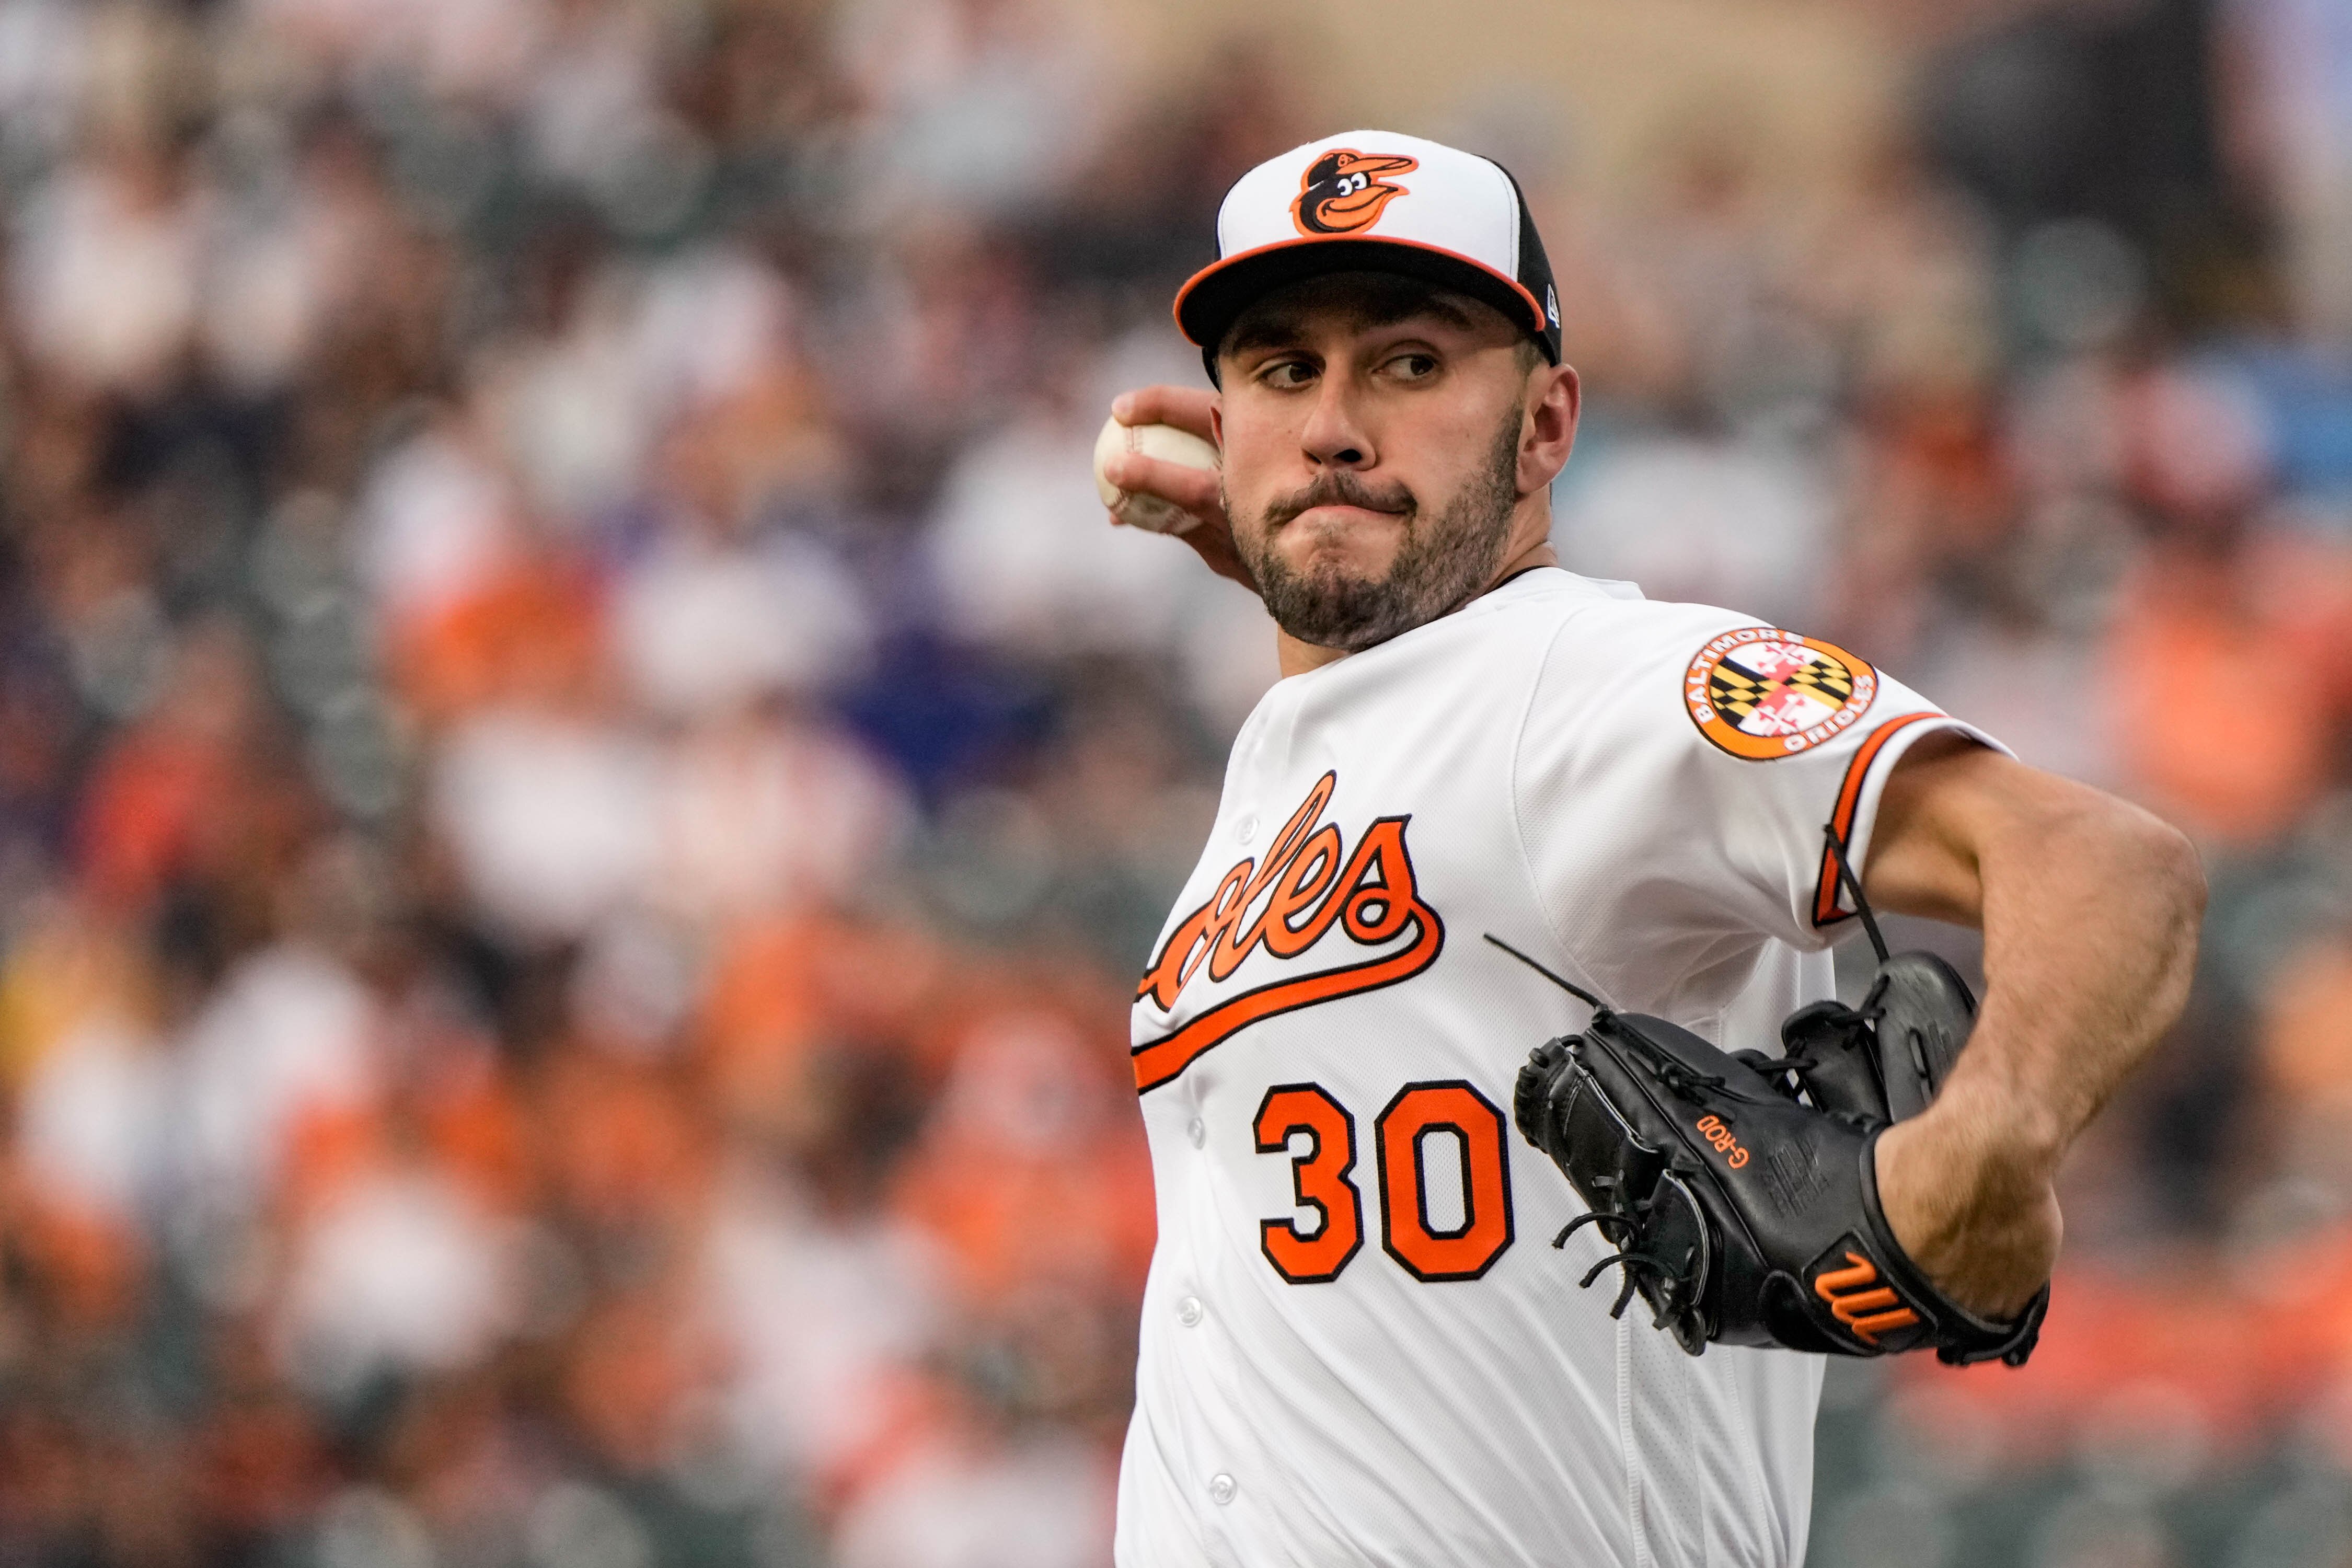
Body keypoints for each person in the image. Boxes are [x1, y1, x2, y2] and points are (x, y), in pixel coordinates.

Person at [1098, 130, 2204, 1567]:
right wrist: (1311, 571)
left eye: (1412, 365)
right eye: (1280, 370)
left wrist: (1983, 1149)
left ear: (1546, 426)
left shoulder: (1599, 684)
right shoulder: (1302, 752)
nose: (1333, 423)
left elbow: (2103, 863)